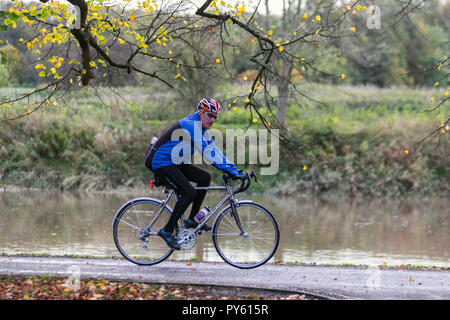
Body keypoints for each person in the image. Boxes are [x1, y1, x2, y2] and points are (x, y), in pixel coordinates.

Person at [144, 98, 243, 250]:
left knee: (205, 178)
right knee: (188, 192)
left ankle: (192, 220)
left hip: (175, 162)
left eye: (215, 117)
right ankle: (167, 230)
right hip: (160, 161)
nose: (213, 120)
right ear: (201, 113)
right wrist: (228, 170)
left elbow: (213, 149)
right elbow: (207, 152)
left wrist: (234, 169)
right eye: (210, 115)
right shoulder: (190, 125)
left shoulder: (202, 128)